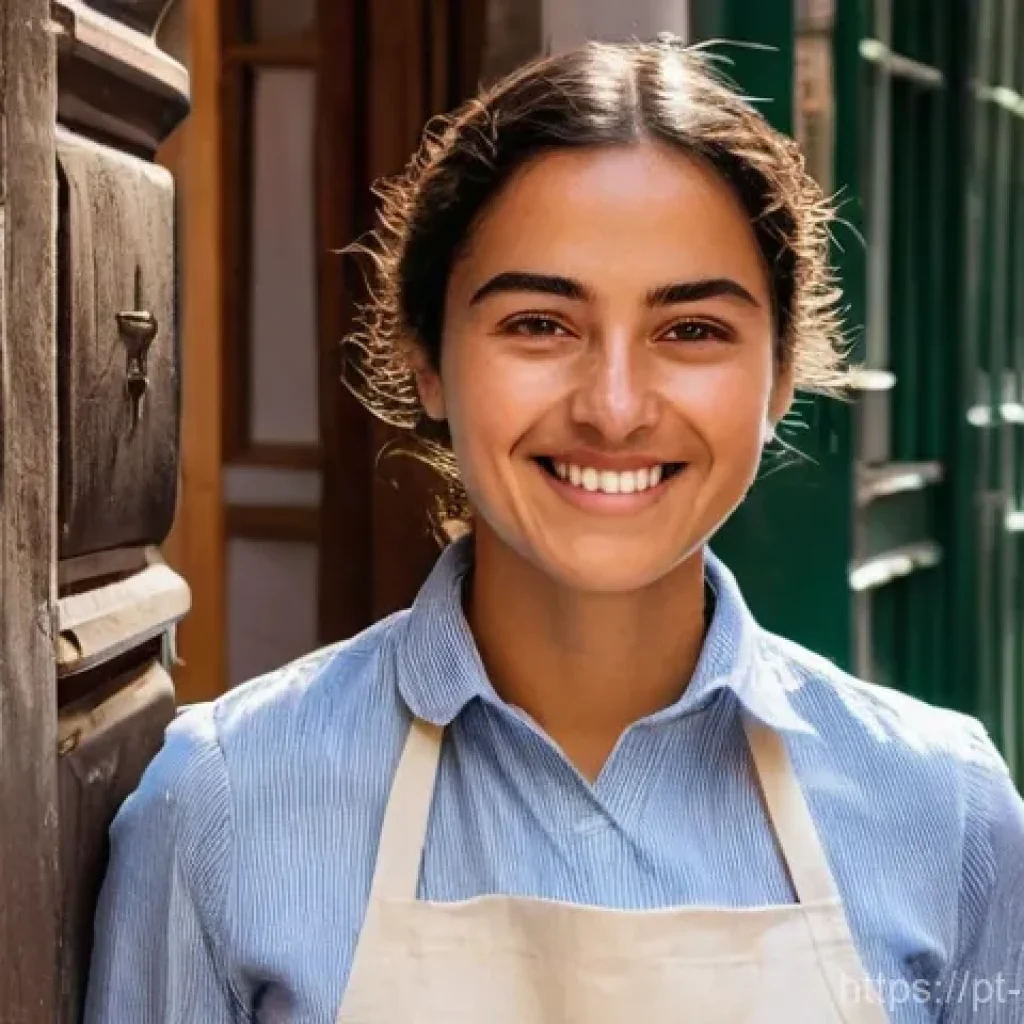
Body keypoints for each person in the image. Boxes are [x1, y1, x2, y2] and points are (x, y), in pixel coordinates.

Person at [85, 36, 1024, 1024]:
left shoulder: (943, 812)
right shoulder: (225, 807)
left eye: (691, 330)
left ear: (780, 373)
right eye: (539, 323)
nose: (613, 408)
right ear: (427, 362)